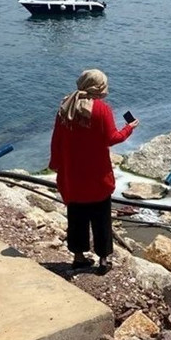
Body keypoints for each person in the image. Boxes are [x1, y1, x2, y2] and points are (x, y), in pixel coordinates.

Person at [49, 69, 138, 275]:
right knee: (101, 219)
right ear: (99, 87)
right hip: (97, 175)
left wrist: (56, 165)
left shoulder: (65, 107)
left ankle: (78, 257)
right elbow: (111, 138)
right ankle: (103, 259)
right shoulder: (101, 109)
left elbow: (57, 140)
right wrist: (129, 128)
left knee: (76, 217)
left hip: (72, 175)